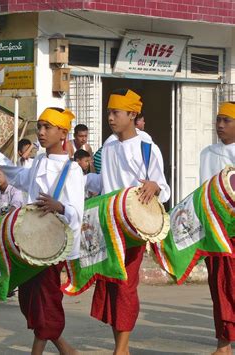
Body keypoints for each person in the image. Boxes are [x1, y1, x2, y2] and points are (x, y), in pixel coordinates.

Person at [0, 107, 85, 355]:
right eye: (39, 126)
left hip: (52, 245)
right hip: (29, 241)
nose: (40, 132)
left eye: (46, 127)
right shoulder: (39, 160)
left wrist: (59, 206)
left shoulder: (71, 170)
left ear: (62, 133)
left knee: (45, 300)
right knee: (31, 300)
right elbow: (20, 176)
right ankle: (65, 348)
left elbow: (77, 213)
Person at [89, 89, 170, 355]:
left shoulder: (148, 149)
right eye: (109, 112)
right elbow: (102, 183)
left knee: (125, 286)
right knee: (112, 285)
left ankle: (121, 349)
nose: (110, 118)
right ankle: (120, 346)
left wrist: (155, 186)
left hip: (134, 230)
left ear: (132, 115)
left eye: (116, 113)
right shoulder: (108, 147)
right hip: (108, 225)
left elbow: (165, 190)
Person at [199, 101, 235, 355]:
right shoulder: (207, 153)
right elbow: (202, 191)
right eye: (218, 120)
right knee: (219, 287)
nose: (220, 125)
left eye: (226, 120)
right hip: (215, 231)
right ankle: (223, 344)